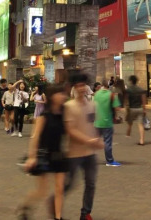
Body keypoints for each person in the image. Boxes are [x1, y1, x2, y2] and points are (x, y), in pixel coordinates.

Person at [49, 72, 103, 220]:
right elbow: (70, 130)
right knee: (69, 183)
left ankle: (85, 213)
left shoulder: (92, 105)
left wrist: (97, 139)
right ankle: (55, 202)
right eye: (78, 86)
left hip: (90, 153)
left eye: (83, 85)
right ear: (74, 87)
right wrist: (89, 140)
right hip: (74, 153)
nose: (81, 88)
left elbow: (92, 125)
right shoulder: (69, 106)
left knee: (91, 183)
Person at [17, 83, 70, 220]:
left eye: (63, 94)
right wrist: (32, 156)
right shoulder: (44, 115)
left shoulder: (64, 114)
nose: (63, 96)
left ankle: (58, 216)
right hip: (45, 155)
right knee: (42, 191)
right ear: (53, 96)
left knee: (59, 188)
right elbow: (35, 136)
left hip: (59, 155)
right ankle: (25, 206)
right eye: (60, 94)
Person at [93, 79, 121, 166]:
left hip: (96, 122)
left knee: (94, 141)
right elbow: (117, 108)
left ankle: (88, 159)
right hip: (107, 122)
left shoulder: (96, 94)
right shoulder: (111, 95)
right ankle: (109, 161)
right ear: (108, 85)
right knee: (107, 142)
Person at [125, 75, 147, 145]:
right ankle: (142, 140)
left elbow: (126, 100)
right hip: (140, 109)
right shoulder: (141, 90)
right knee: (140, 124)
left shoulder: (128, 90)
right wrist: (144, 109)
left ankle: (128, 134)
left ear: (131, 81)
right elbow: (143, 101)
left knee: (130, 123)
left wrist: (126, 108)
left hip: (131, 109)